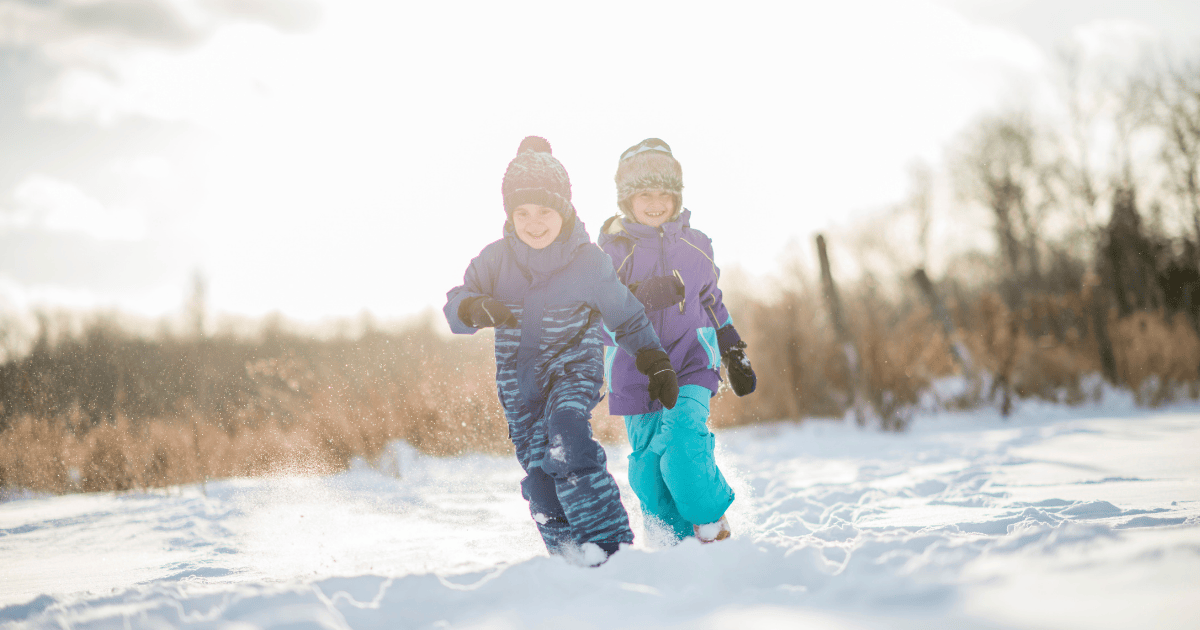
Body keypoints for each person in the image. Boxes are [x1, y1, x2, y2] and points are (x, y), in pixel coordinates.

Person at [443, 136, 680, 565]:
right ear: (510, 214)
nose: (534, 223)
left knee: (568, 442)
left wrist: (655, 361)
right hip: (519, 387)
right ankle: (570, 558)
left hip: (574, 368)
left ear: (565, 210)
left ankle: (612, 552)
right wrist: (476, 307)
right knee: (539, 479)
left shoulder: (588, 262)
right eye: (523, 213)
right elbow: (455, 306)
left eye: (545, 211)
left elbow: (626, 315)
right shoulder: (495, 261)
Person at [598, 137, 757, 545]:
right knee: (649, 466)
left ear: (676, 196)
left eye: (663, 194)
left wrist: (733, 349)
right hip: (636, 373)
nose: (655, 203)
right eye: (644, 194)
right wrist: (644, 294)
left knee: (684, 441)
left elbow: (712, 300)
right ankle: (672, 538)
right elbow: (597, 317)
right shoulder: (611, 254)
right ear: (626, 199)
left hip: (690, 363)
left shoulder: (697, 244)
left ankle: (711, 522)